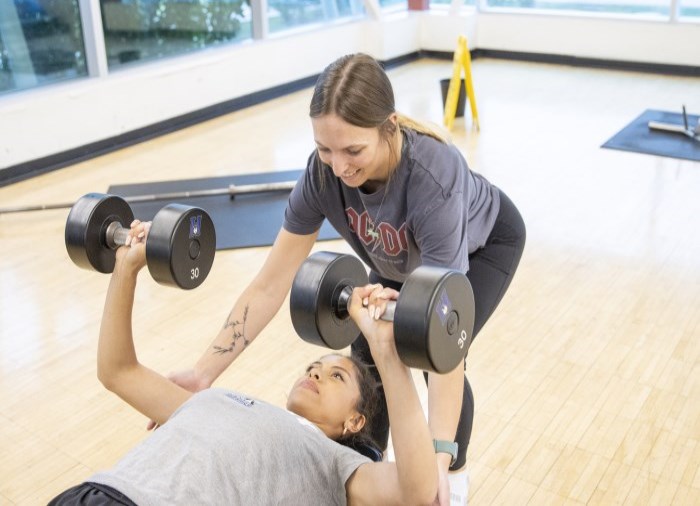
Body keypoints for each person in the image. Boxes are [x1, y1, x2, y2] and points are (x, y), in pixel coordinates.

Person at [162, 53, 526, 504]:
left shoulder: (434, 177)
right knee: (366, 358)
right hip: (398, 261)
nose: (339, 167)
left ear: (389, 126)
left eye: (353, 150)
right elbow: (270, 284)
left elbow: (445, 345)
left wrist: (435, 463)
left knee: (430, 351)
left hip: (485, 244)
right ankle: (372, 477)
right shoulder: (322, 177)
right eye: (324, 149)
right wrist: (203, 373)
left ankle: (454, 477)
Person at [48, 220, 439, 506]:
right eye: (313, 368)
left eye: (336, 375)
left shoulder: (337, 465)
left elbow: (418, 492)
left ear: (354, 422)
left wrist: (385, 352)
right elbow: (117, 371)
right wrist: (126, 267)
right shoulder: (213, 400)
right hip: (91, 493)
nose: (317, 372)